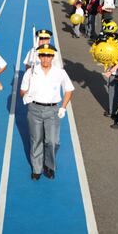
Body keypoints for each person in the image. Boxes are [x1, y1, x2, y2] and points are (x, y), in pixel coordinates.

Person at [20, 44, 74, 180]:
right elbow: (22, 90)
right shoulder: (31, 72)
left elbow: (69, 89)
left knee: (53, 141)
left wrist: (63, 107)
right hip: (34, 109)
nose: (46, 58)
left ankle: (49, 165)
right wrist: (26, 94)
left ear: (52, 57)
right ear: (39, 57)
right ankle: (37, 169)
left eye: (49, 55)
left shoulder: (60, 72)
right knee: (36, 140)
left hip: (52, 110)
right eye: (43, 55)